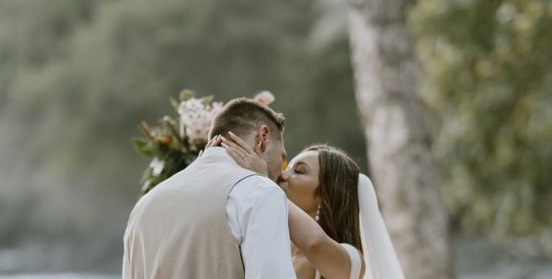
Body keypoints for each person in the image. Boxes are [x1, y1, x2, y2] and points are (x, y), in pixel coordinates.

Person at [122, 98, 296, 279]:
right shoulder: (260, 191)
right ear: (263, 138)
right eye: (283, 159)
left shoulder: (143, 205)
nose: (283, 173)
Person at [219, 134, 405, 279]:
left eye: (298, 171)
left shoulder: (352, 261)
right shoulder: (265, 245)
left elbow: (315, 245)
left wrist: (263, 182)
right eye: (287, 167)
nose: (283, 175)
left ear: (324, 197)